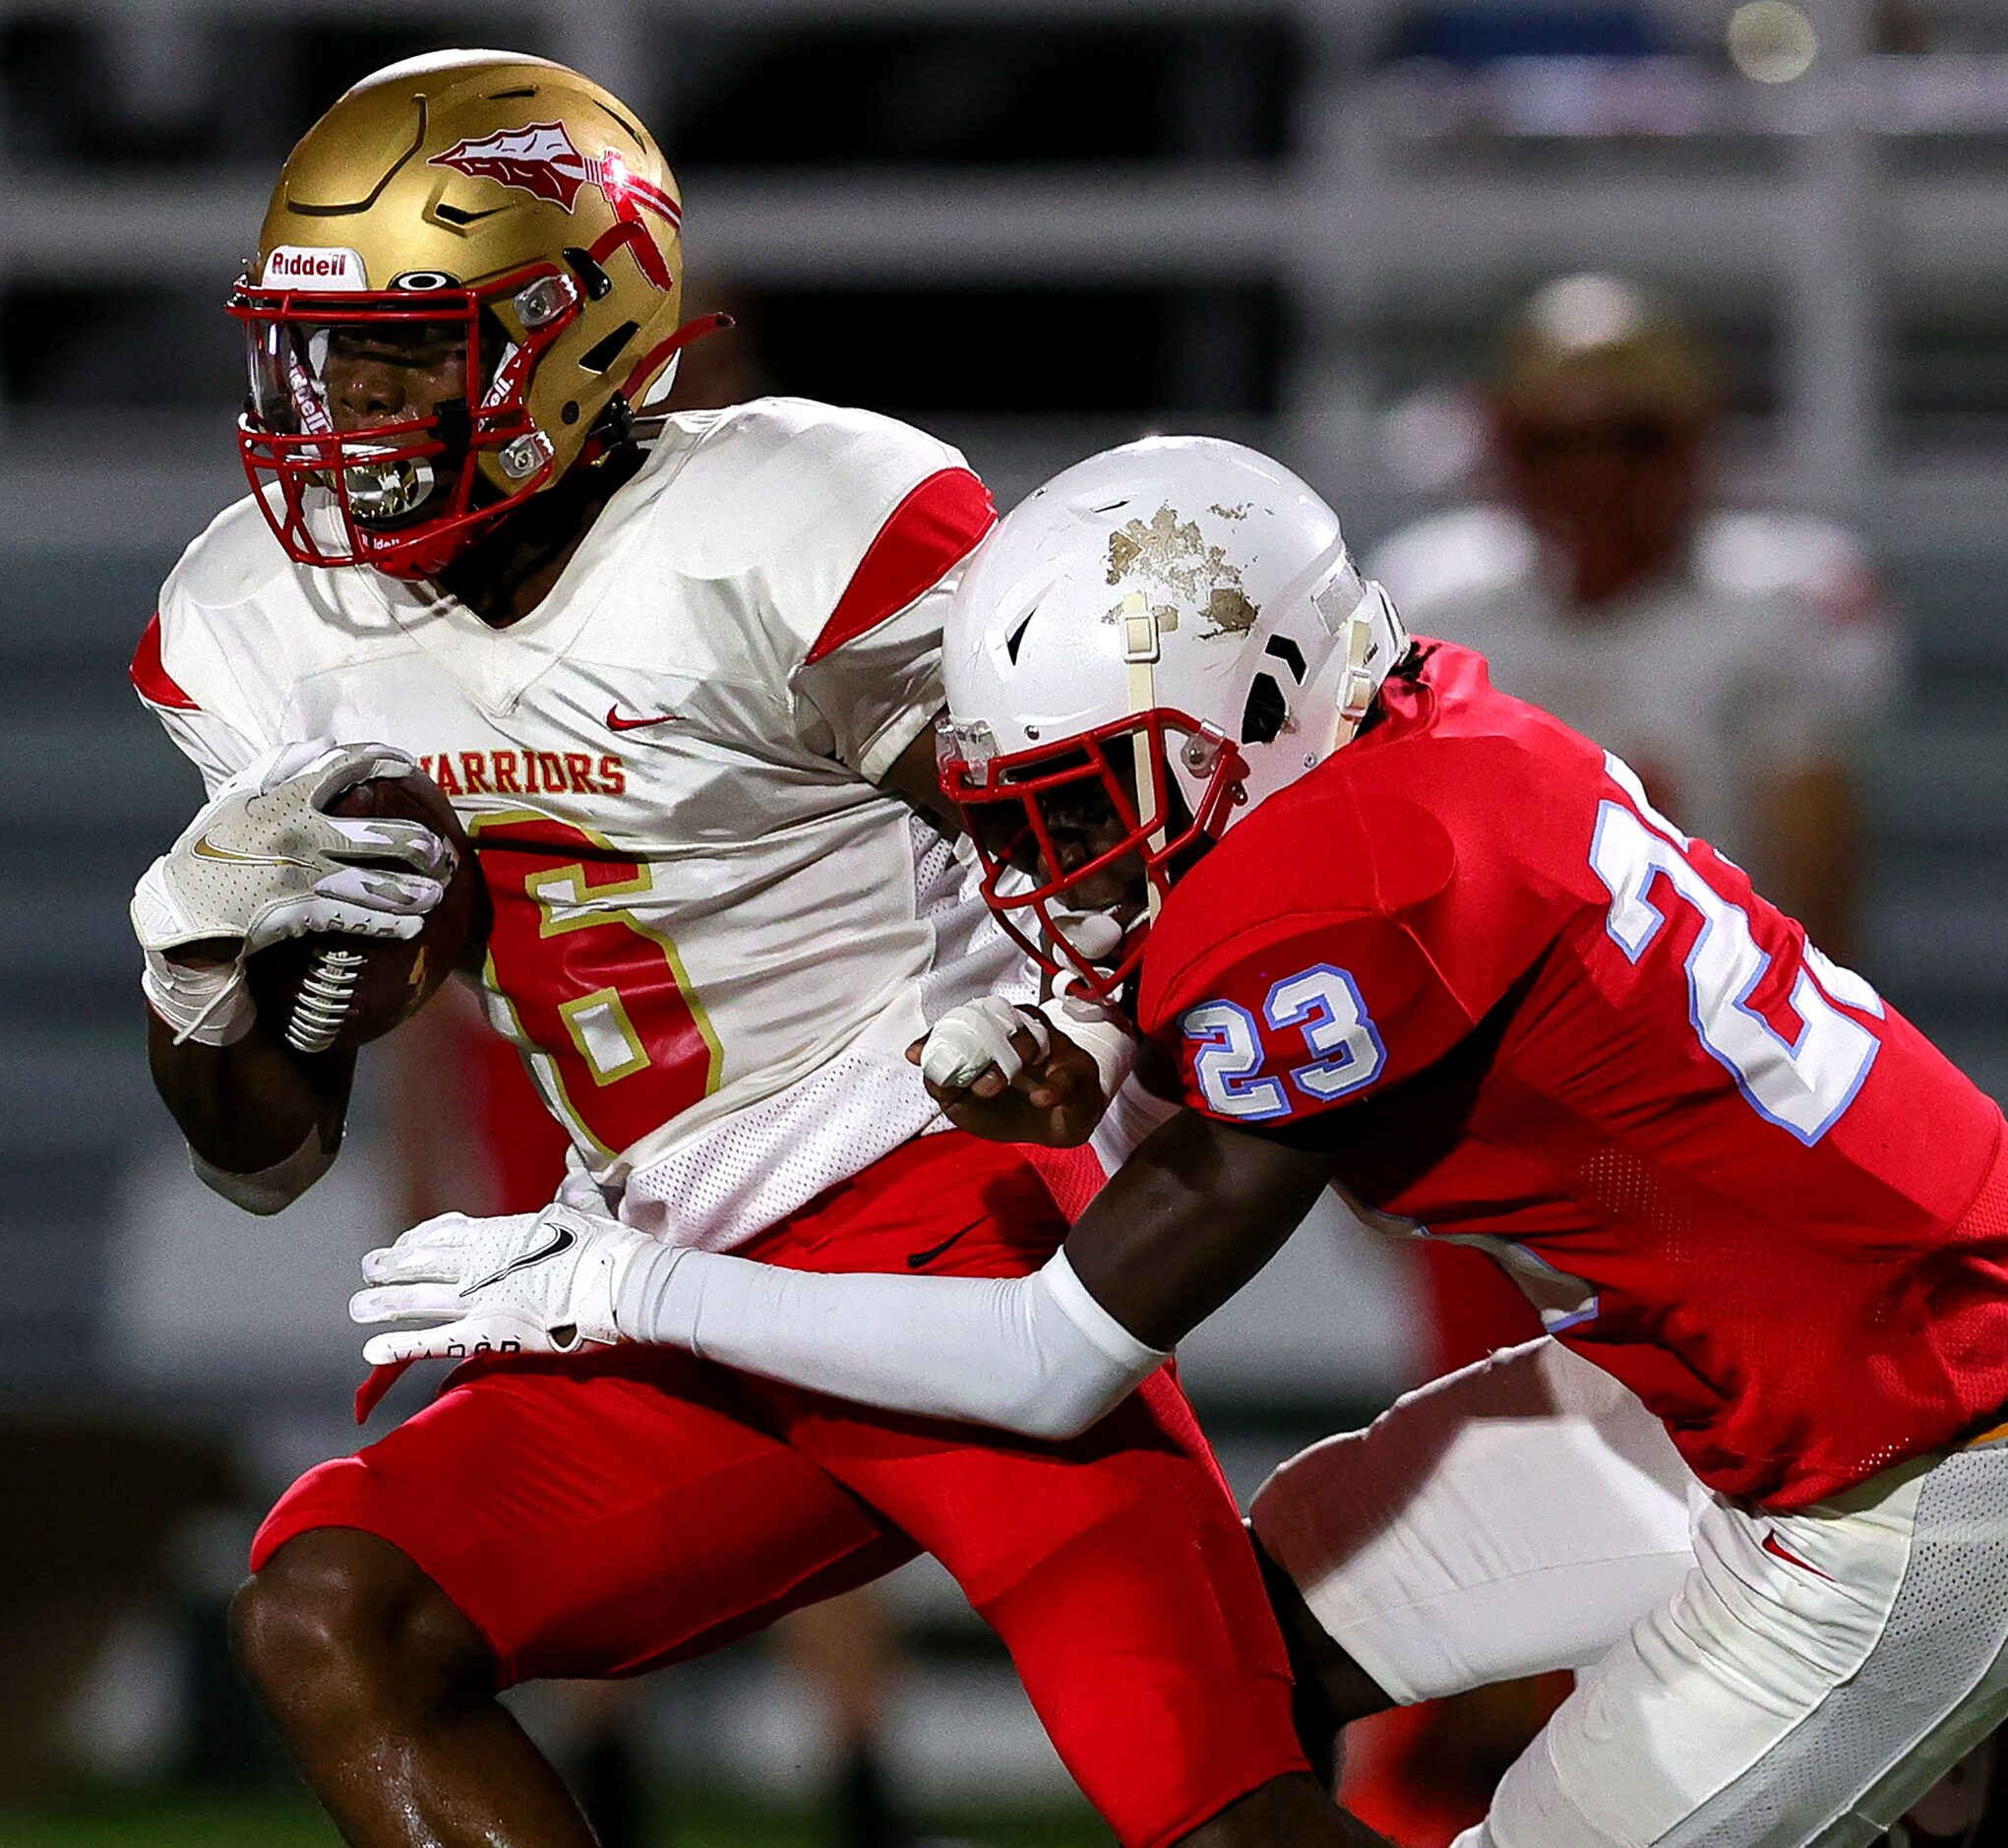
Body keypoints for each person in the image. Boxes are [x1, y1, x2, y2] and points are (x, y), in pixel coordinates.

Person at [368, 436, 2008, 1847]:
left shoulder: (1341, 893)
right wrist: (1090, 1050)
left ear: (1272, 695)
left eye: (1085, 801)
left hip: (1910, 1464)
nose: (1059, 863)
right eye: (1029, 811)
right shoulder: (1420, 729)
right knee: (1229, 1660)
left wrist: (624, 1284)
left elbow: (1046, 1357)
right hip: (1724, 1378)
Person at [127, 52, 1379, 1848]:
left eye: (408, 349)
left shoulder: (788, 524)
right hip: (643, 1265)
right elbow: (263, 1152)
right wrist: (193, 964)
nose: (348, 409)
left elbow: (1110, 853)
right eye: (318, 353)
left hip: (938, 1225)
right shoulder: (260, 620)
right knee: (337, 1610)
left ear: (578, 332)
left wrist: (1066, 1024)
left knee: (1221, 1811)